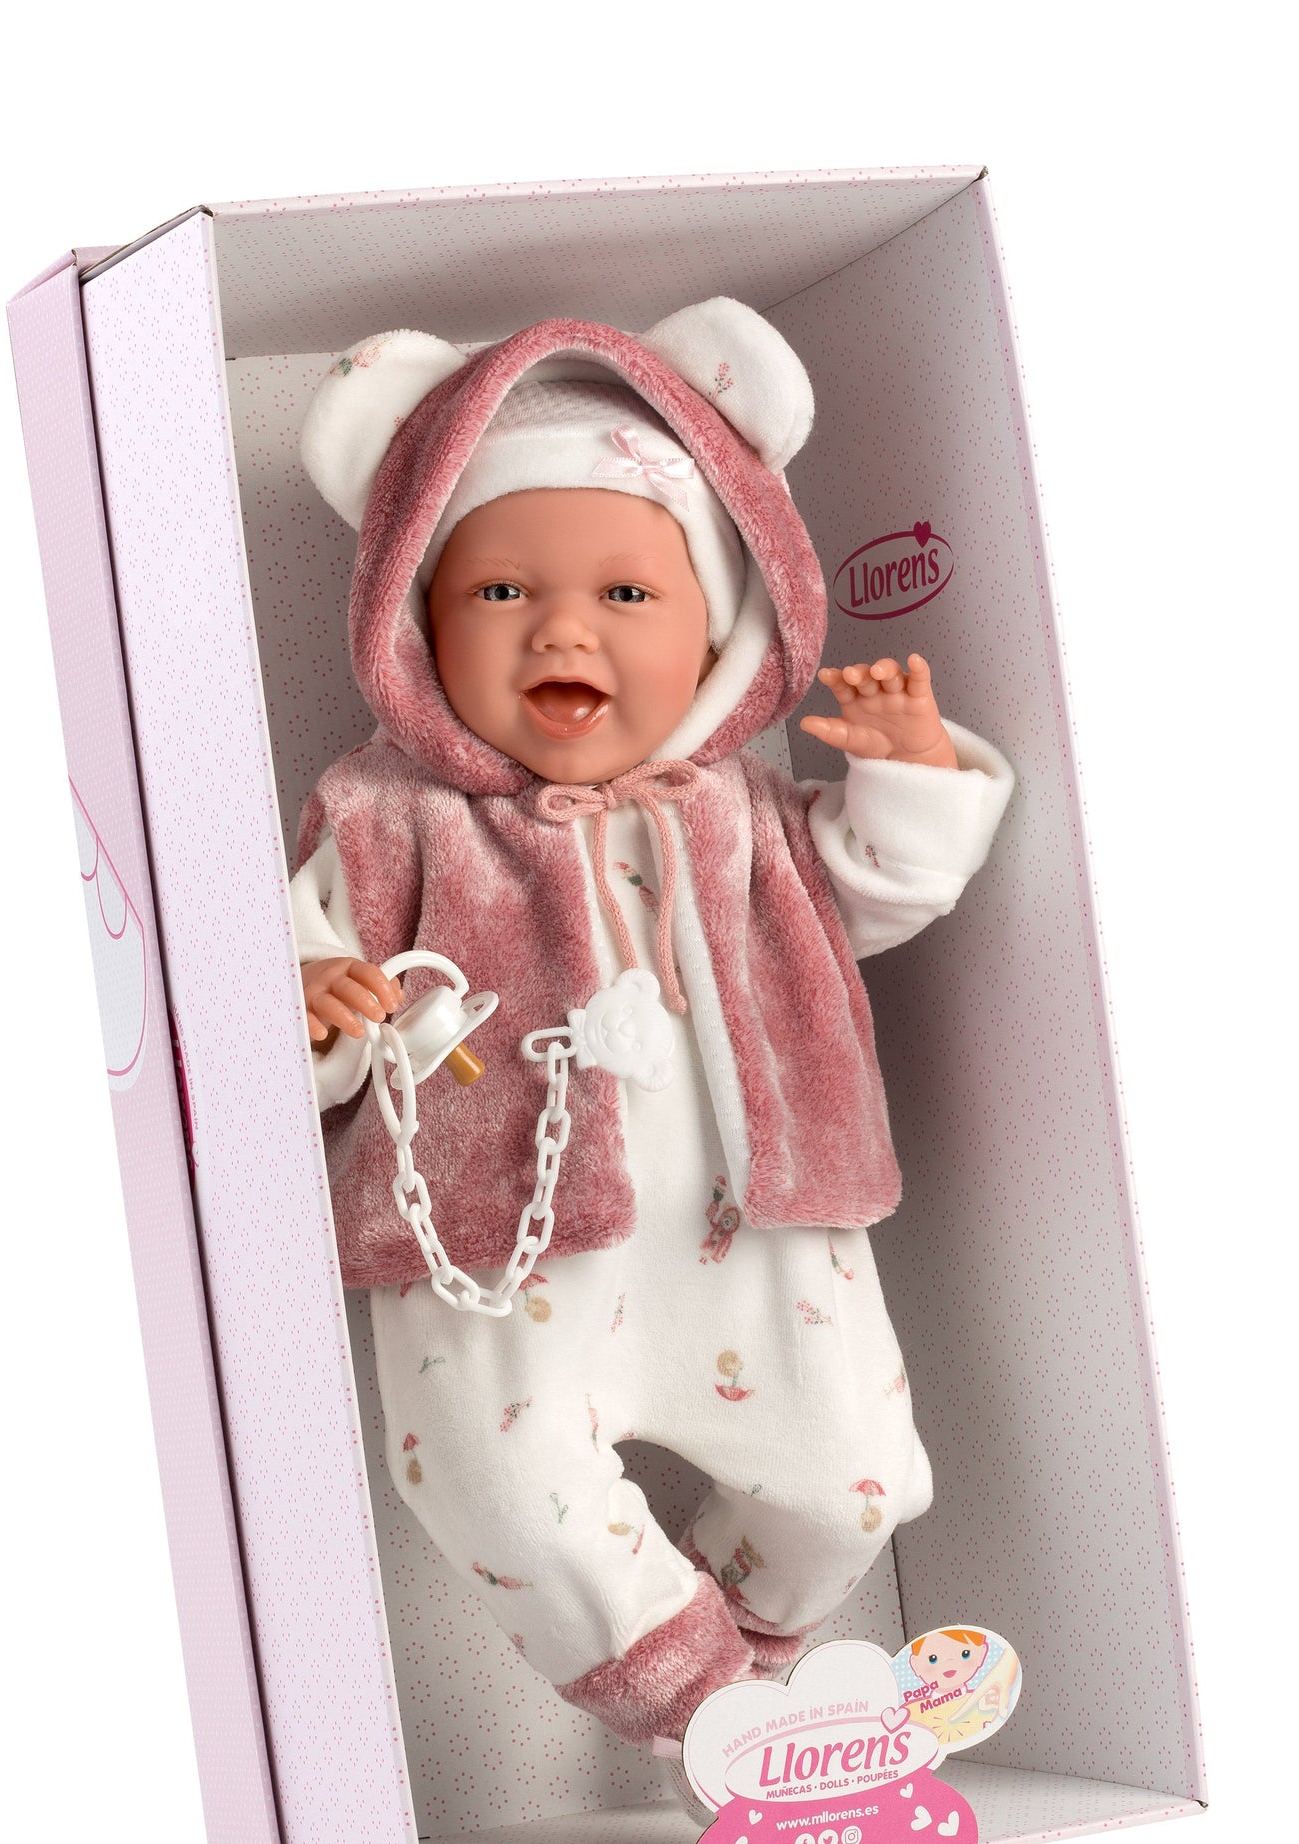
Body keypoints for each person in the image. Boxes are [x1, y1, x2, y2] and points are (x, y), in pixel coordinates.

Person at [289, 299, 1013, 1751]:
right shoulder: (384, 817)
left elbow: (882, 894)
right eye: (500, 591)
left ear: (722, 632)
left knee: (861, 1487)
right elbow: (298, 961)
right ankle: (705, 1712)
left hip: (762, 1233)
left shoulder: (742, 815)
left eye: (627, 592)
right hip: (503, 1250)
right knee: (506, 1494)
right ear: (416, 627)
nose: (563, 626)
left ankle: (746, 1690)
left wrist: (911, 776)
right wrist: (312, 1009)